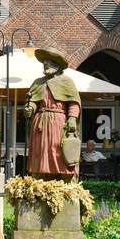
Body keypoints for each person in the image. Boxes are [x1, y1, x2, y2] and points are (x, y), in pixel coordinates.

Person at [24, 47, 81, 179]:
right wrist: (30, 109)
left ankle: (62, 179)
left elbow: (73, 102)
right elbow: (33, 100)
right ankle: (40, 177)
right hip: (40, 124)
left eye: (48, 61)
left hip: (59, 122)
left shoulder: (66, 81)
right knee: (41, 151)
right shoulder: (38, 82)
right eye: (44, 61)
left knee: (58, 150)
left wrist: (72, 118)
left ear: (57, 64)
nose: (45, 64)